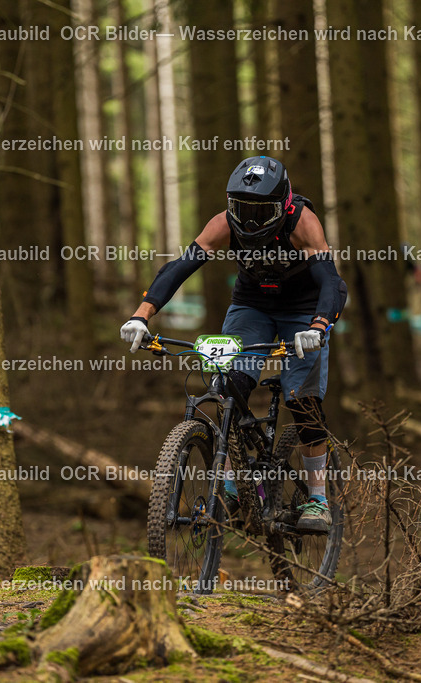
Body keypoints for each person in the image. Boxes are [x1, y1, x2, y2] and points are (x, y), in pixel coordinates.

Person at [120, 156, 347, 531]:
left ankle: (318, 499)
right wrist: (142, 314)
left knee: (302, 400)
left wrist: (319, 325)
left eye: (261, 211)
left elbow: (331, 282)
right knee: (226, 387)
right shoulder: (224, 224)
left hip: (304, 312)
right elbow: (180, 266)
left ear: (282, 206)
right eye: (242, 209)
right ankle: (229, 487)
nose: (251, 220)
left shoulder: (302, 222)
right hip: (252, 306)